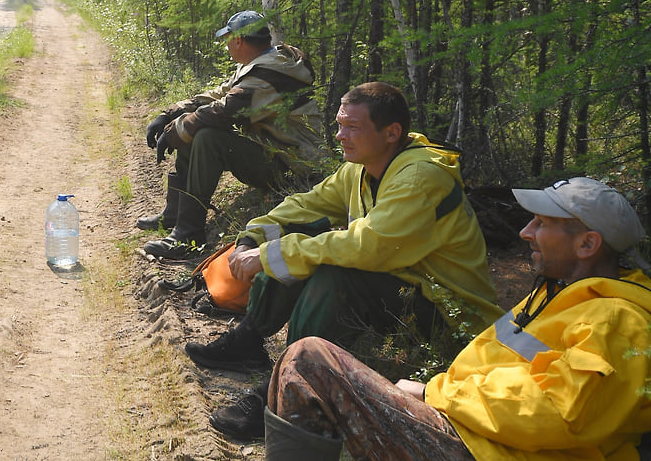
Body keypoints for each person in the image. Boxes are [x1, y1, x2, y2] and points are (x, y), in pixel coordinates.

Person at [186, 81, 502, 440]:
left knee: (330, 273)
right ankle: (250, 338)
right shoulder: (363, 167)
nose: (340, 135)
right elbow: (309, 204)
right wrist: (255, 237)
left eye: (352, 127)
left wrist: (274, 254)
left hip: (449, 312)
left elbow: (366, 247)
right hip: (402, 286)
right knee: (295, 242)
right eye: (339, 124)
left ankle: (285, 396)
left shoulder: (419, 178)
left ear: (391, 133)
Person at [263, 177, 651, 460]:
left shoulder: (615, 319)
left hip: (485, 450)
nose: (525, 231)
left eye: (542, 224)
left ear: (587, 244)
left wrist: (435, 394)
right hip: (473, 434)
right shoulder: (555, 295)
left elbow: (559, 414)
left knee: (310, 360)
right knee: (303, 363)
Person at [139, 10, 323, 260]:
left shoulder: (269, 75)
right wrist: (170, 114)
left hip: (291, 169)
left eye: (227, 38)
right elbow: (220, 95)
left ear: (238, 40)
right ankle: (175, 213)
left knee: (206, 136)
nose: (225, 44)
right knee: (194, 128)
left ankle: (188, 236)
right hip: (275, 152)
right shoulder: (260, 65)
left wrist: (176, 131)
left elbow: (225, 112)